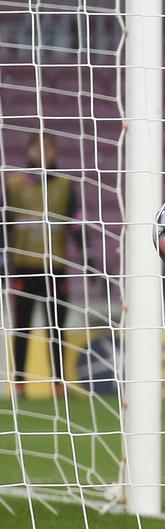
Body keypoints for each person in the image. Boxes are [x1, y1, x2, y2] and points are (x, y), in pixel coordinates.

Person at [3, 134, 77, 398]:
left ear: (54, 152)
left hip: (55, 266)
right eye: (38, 149)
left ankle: (58, 382)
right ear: (30, 150)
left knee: (56, 327)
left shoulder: (66, 185)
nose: (43, 154)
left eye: (48, 149)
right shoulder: (14, 184)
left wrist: (88, 256)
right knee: (22, 327)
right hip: (24, 265)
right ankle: (20, 382)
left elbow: (76, 222)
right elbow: (5, 226)